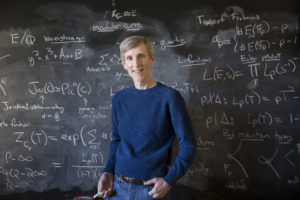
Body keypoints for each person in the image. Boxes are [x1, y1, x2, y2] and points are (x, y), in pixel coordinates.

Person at [97, 35, 196, 200]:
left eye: (141, 56)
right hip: (116, 189)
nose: (136, 63)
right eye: (130, 58)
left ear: (151, 59)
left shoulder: (169, 97)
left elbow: (188, 144)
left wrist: (169, 180)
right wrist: (107, 171)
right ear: (124, 64)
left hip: (150, 191)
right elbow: (116, 140)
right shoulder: (119, 99)